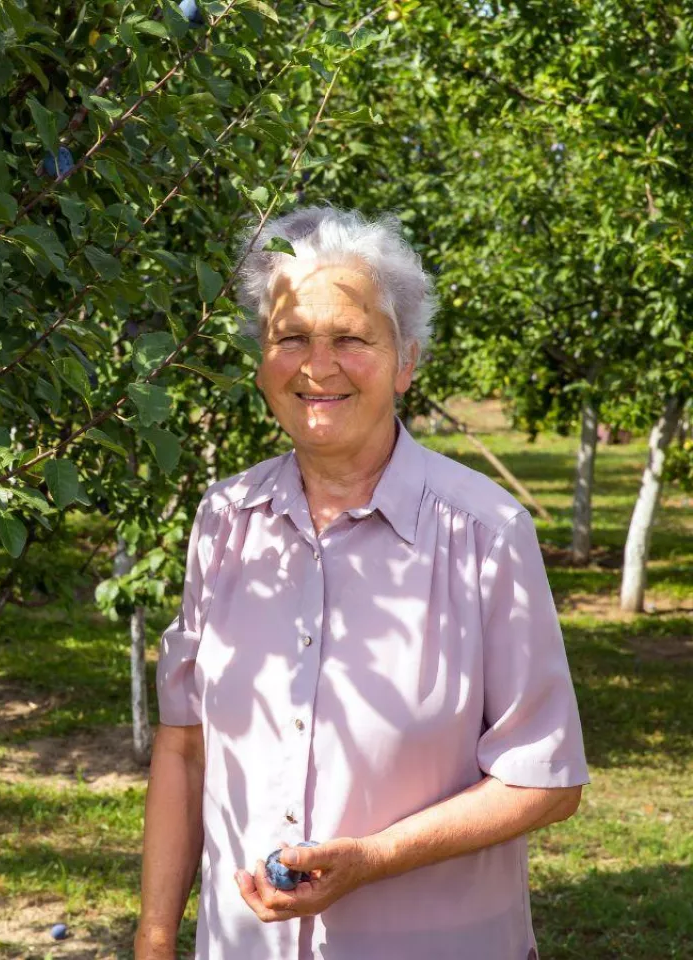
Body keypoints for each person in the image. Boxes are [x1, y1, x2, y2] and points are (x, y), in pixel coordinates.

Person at [134, 206, 589, 960]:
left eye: (350, 337)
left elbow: (544, 781)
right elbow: (184, 750)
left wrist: (373, 860)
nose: (318, 365)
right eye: (291, 337)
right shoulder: (224, 521)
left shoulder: (486, 532)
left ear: (406, 361)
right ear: (261, 360)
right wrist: (154, 940)